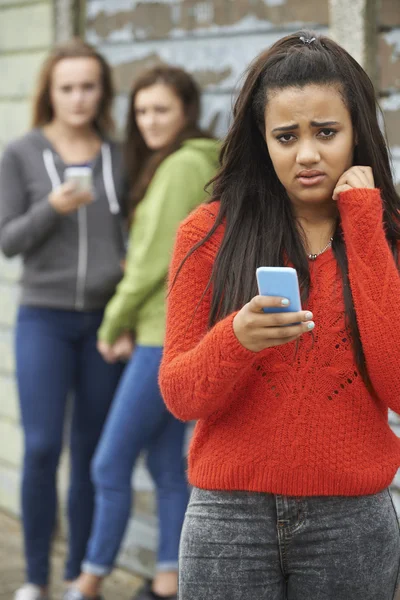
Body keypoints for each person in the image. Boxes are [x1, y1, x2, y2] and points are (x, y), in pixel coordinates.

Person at [159, 31, 400, 600]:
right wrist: (237, 340)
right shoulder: (208, 232)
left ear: (359, 132)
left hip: (351, 523)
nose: (308, 154)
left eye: (327, 132)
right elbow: (179, 395)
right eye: (286, 137)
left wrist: (363, 223)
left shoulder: (386, 233)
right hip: (228, 524)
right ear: (261, 141)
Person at [66, 66, 219, 600]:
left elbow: (153, 261)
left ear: (187, 112)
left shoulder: (180, 166)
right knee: (163, 463)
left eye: (162, 110)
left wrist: (114, 323)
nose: (150, 121)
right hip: (171, 330)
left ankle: (88, 580)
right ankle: (168, 581)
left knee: (109, 461)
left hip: (160, 335)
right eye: (142, 111)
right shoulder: (189, 162)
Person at [0, 39, 128, 600]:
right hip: (43, 319)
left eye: (89, 86)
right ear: (50, 92)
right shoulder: (21, 153)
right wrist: (50, 208)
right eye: (67, 87)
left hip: (104, 322)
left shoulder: (120, 155)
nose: (78, 98)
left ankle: (79, 576)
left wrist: (125, 313)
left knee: (91, 451)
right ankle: (33, 577)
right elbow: (7, 241)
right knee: (43, 447)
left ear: (102, 92)